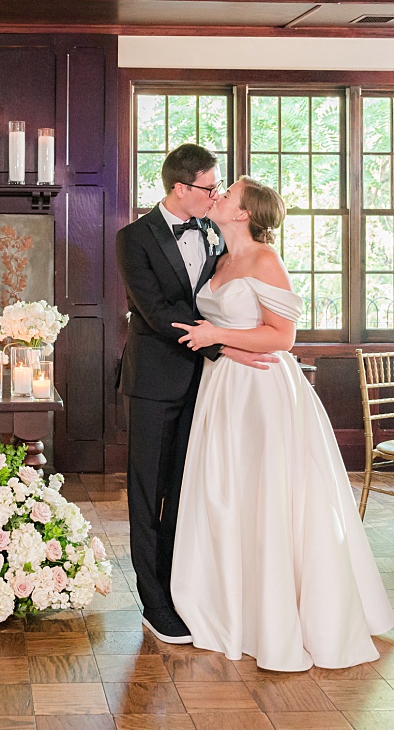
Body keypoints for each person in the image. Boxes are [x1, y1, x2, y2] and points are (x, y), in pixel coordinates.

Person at [170, 177, 394, 670]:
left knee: (266, 495)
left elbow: (283, 336)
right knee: (226, 494)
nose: (219, 197)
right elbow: (218, 331)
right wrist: (220, 343)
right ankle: (231, 605)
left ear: (243, 213)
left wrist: (218, 335)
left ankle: (279, 618)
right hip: (224, 388)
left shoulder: (264, 260)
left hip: (262, 392)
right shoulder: (219, 258)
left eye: (227, 194)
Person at [114, 144, 272, 645]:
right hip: (154, 385)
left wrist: (229, 346)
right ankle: (153, 603)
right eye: (209, 186)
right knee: (146, 495)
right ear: (180, 188)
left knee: (186, 492)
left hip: (207, 388)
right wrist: (225, 349)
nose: (215, 194)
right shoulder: (133, 238)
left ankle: (181, 590)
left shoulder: (212, 231)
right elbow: (157, 313)